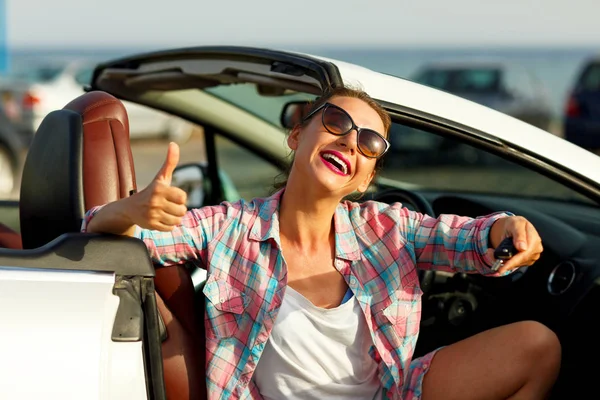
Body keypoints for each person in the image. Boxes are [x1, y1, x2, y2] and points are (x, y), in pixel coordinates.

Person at [82, 86, 560, 400]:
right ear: (296, 134)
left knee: (538, 345)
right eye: (335, 122)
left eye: (370, 143)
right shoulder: (230, 226)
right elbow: (107, 235)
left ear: (366, 176)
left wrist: (510, 228)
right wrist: (129, 210)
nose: (351, 141)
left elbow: (470, 239)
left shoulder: (387, 228)